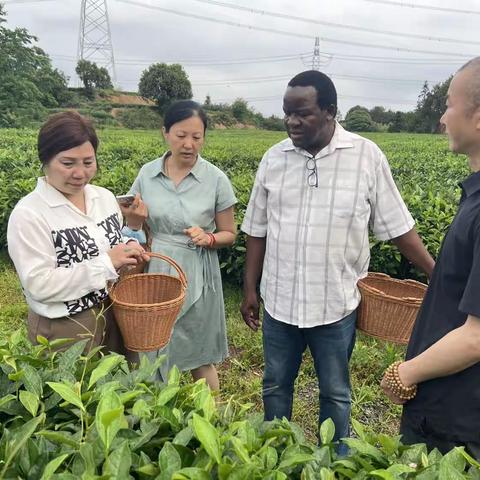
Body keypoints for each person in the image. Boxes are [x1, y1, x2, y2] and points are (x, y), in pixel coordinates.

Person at [240, 70, 435, 452]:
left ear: (330, 112)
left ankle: (334, 464)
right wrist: (250, 288)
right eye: (287, 113)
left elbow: (397, 226)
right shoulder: (274, 158)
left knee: (335, 393)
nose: (292, 122)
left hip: (336, 304)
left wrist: (436, 273)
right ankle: (276, 458)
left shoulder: (366, 156)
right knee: (276, 385)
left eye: (303, 114)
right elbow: (256, 229)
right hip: (280, 302)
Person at [381, 58, 480, 458]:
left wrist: (405, 372)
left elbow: (476, 338)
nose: (442, 117)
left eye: (449, 104)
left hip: (458, 424)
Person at [7, 111, 148, 357]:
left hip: (114, 310)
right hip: (65, 324)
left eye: (88, 162)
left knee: (120, 388)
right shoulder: (29, 214)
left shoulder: (103, 197)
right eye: (68, 163)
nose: (80, 173)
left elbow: (108, 242)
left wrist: (128, 245)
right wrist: (107, 263)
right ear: (46, 160)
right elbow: (39, 284)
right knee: (73, 392)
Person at [122, 100, 237, 390]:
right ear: (165, 133)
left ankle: (212, 421)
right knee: (153, 345)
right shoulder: (147, 174)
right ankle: (157, 418)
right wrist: (132, 218)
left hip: (197, 268)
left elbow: (229, 234)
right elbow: (135, 219)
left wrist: (208, 237)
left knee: (199, 352)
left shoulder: (216, 180)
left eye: (196, 137)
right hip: (157, 266)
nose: (188, 144)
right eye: (180, 135)